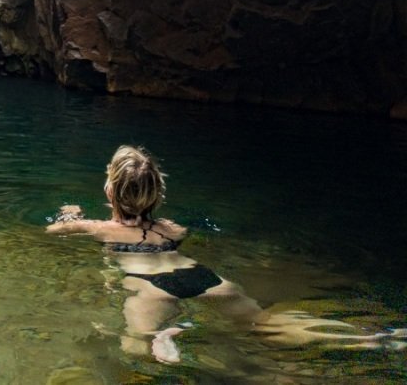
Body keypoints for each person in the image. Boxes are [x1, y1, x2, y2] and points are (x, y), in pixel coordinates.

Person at [47, 144, 405, 365]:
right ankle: (373, 339)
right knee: (264, 324)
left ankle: (166, 334)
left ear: (110, 190)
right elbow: (183, 232)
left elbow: (55, 231)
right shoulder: (172, 228)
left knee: (134, 345)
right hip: (203, 277)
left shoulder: (99, 228)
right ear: (157, 194)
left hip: (150, 286)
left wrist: (70, 216)